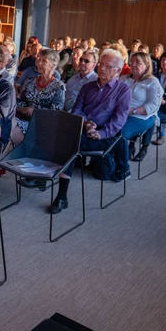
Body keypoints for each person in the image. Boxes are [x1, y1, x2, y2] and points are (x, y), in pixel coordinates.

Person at [52, 49, 132, 214]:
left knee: (70, 143)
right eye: (101, 64)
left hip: (106, 135)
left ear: (118, 70)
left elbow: (119, 120)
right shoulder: (88, 87)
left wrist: (100, 133)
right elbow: (77, 109)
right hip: (84, 129)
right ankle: (59, 191)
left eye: (108, 66)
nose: (102, 69)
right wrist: (87, 124)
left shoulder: (123, 90)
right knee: (64, 137)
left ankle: (61, 194)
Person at [9, 49, 65, 154]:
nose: (39, 63)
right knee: (4, 125)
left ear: (54, 64)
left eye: (44, 61)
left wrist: (35, 111)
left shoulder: (58, 86)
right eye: (38, 59)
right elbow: (20, 100)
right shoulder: (31, 81)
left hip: (42, 125)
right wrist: (22, 108)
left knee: (8, 132)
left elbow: (56, 113)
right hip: (23, 119)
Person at [119, 52, 163, 164]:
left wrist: (132, 111)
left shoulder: (152, 82)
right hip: (122, 113)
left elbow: (154, 105)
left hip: (142, 116)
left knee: (120, 133)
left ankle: (121, 164)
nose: (133, 65)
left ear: (147, 65)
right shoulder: (124, 79)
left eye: (138, 62)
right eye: (131, 62)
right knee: (105, 129)